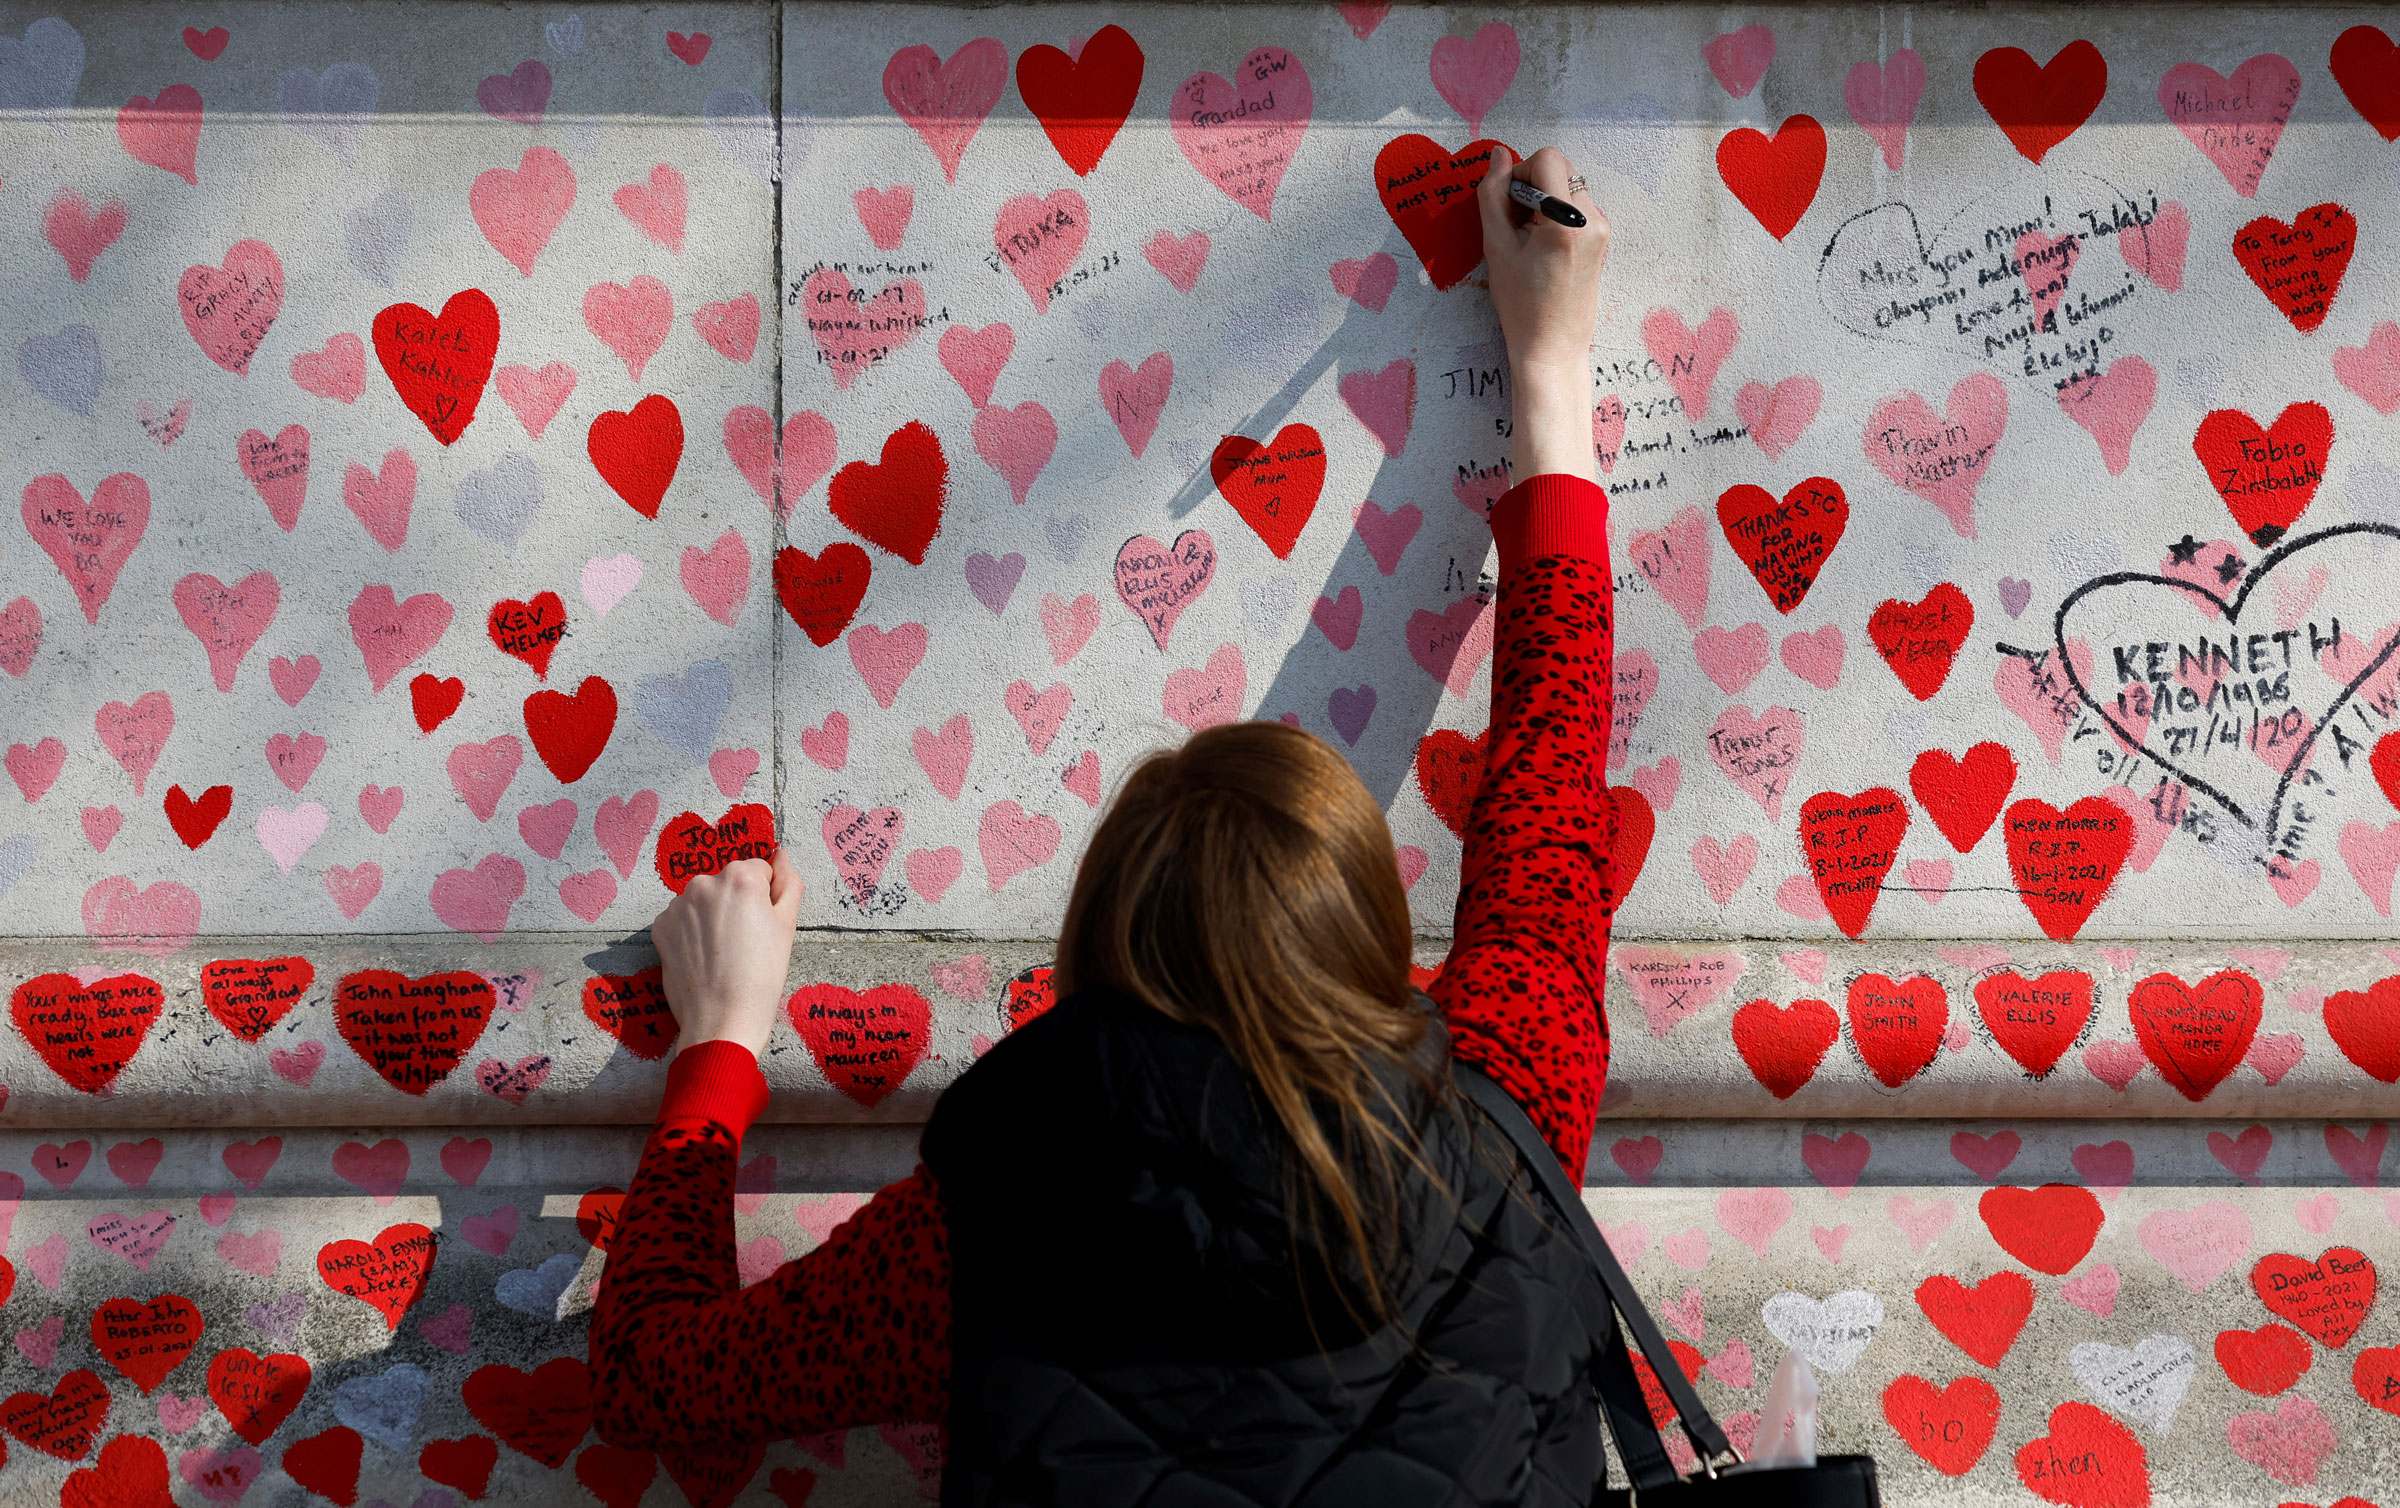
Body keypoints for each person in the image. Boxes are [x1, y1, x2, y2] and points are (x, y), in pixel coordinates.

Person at [590, 145, 1622, 1505]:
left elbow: (662, 1382)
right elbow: (1549, 778)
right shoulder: (1507, 1099)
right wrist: (1550, 378)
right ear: (1367, 923)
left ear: (1101, 937)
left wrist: (721, 1049)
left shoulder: (995, 1213)